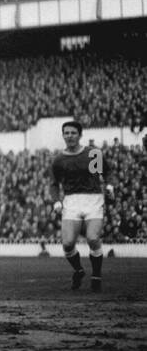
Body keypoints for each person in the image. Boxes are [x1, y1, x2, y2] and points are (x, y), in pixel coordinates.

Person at [48, 119, 110, 292]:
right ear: (63, 136)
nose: (70, 136)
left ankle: (96, 274)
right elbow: (53, 184)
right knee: (67, 243)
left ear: (80, 135)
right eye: (66, 133)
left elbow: (105, 172)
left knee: (92, 238)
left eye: (73, 133)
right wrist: (56, 201)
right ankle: (79, 270)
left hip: (93, 199)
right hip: (71, 201)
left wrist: (110, 185)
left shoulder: (92, 154)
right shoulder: (59, 160)